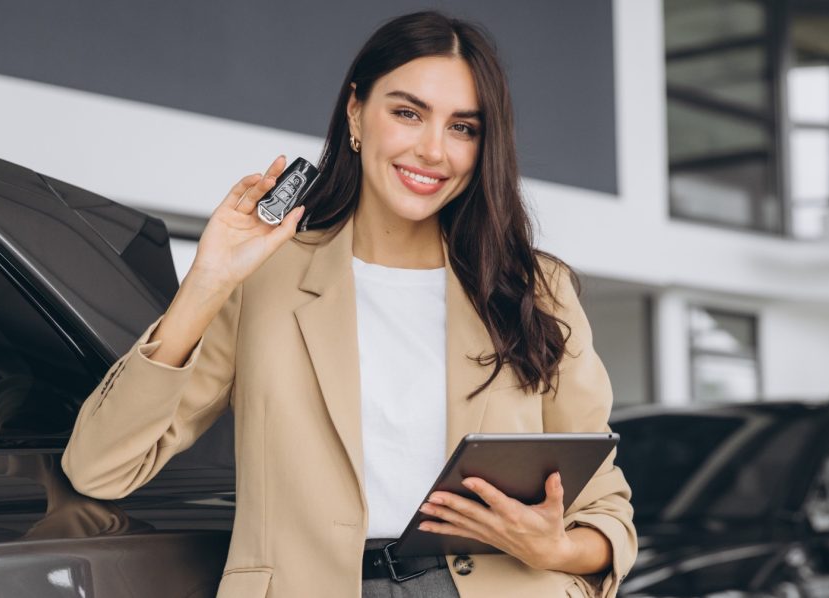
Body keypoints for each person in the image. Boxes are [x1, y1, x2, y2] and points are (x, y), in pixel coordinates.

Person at [62, 10, 636, 598]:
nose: (433, 150)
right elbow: (102, 467)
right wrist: (206, 283)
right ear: (356, 113)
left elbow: (605, 508)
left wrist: (557, 547)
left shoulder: (535, 289)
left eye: (463, 127)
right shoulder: (266, 279)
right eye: (407, 113)